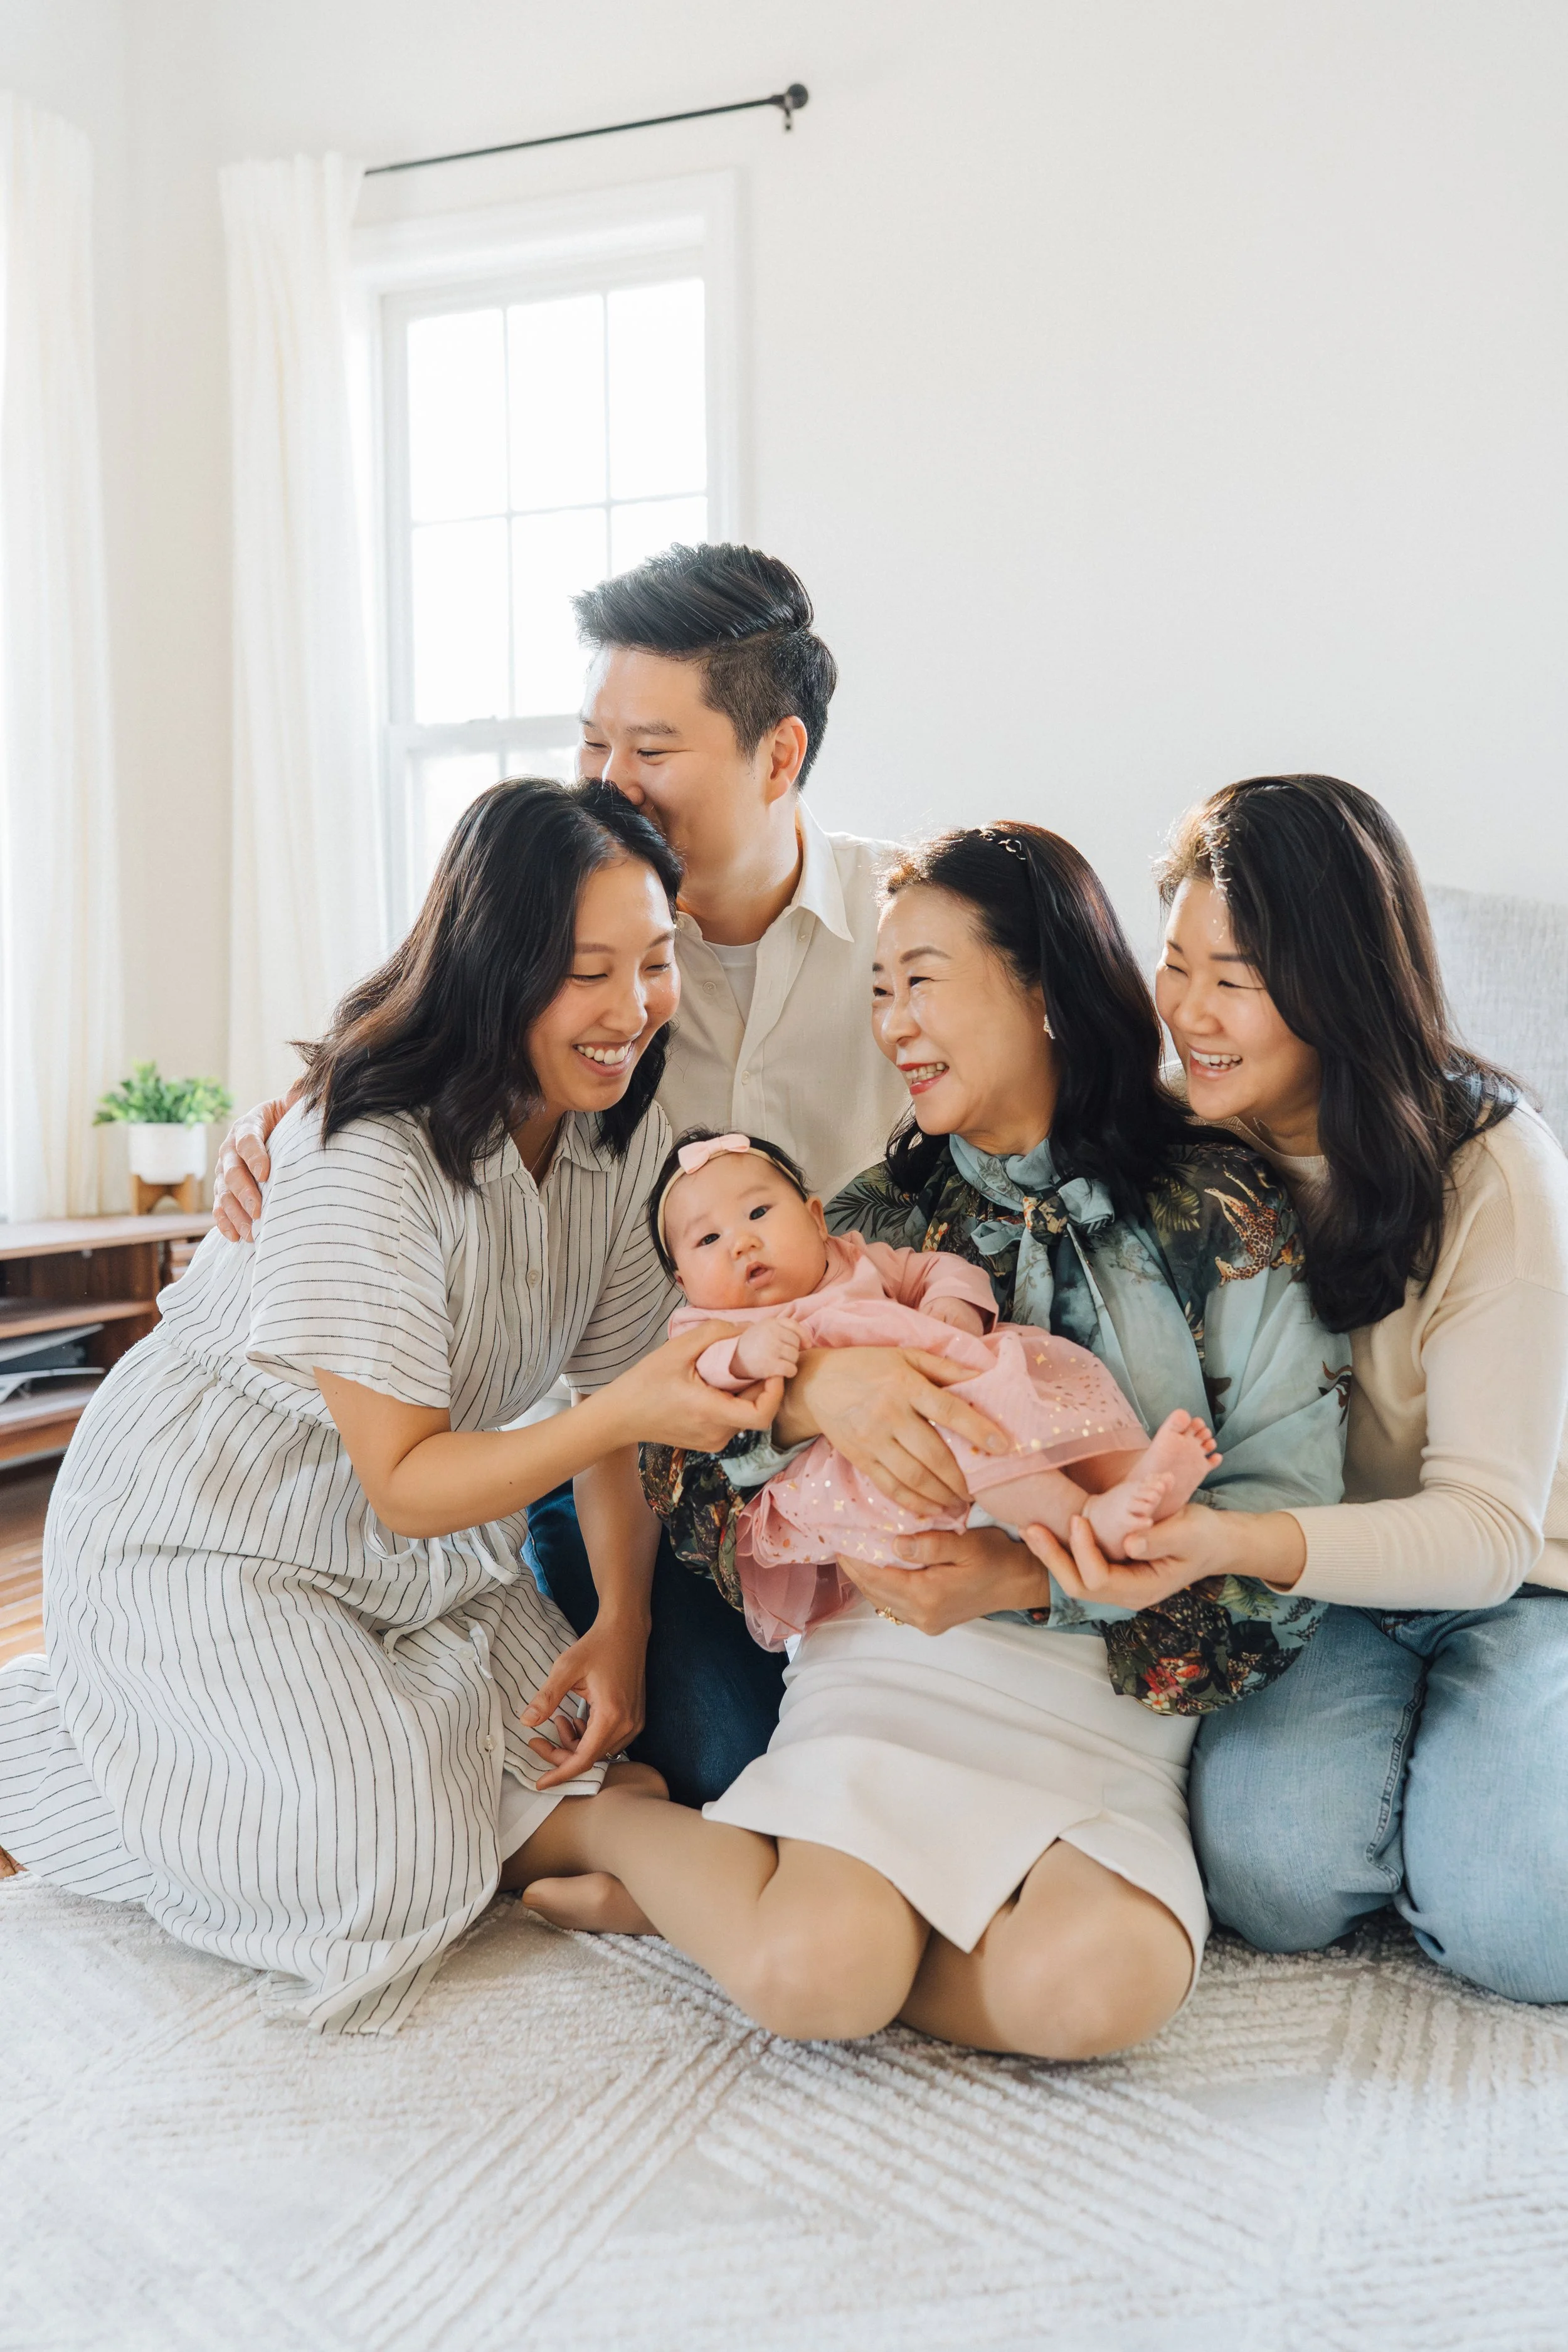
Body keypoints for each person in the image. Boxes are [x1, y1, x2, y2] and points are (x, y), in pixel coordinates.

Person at [516, 822, 1347, 2060]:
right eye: (877, 990)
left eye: (922, 982)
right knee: (817, 1982)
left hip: (1098, 1709)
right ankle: (616, 1830)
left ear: (1041, 986)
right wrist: (811, 1397)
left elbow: (1286, 1549)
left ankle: (722, 1898)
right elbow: (676, 1470)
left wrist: (1022, 1580)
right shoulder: (858, 1223)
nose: (892, 1025)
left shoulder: (1221, 1212)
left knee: (1099, 1994)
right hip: (883, 1674)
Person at [0, 780, 781, 2028]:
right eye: (587, 973)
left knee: (584, 1750)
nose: (632, 1009)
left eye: (654, 961)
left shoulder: (630, 1129)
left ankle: (416, 1790)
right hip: (214, 1532)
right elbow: (422, 1477)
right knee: (383, 1866)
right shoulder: (362, 1146)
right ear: (492, 969)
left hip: (426, 1552)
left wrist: (622, 1623)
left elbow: (612, 1404)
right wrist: (628, 1408)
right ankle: (46, 1736)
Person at [208, 544, 909, 1803]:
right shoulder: (557, 934)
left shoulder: (908, 930)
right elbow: (408, 1056)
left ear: (779, 756)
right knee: (728, 1761)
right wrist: (284, 1128)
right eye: (592, 742)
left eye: (651, 749)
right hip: (629, 1466)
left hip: (858, 1440)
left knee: (880, 1761)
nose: (607, 781)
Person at [1041, 775, 1568, 2003]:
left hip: (1521, 1582)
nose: (1188, 1013)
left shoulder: (1494, 1170)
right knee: (1268, 1885)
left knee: (1524, 1930)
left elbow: (1488, 1532)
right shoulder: (1175, 1144)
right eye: (1176, 965)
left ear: (1338, 986)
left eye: (1235, 978)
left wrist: (1225, 1542)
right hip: (1317, 1587)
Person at [652, 1126, 1221, 1649]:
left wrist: (951, 1303)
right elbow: (696, 1384)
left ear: (817, 1220)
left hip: (944, 1391)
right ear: (683, 1283)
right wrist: (746, 1358)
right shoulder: (711, 1328)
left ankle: (1133, 1478)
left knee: (1056, 1391)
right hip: (865, 1463)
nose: (741, 1243)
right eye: (708, 1239)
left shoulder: (856, 1259)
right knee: (981, 1439)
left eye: (758, 1212)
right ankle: (1088, 1522)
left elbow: (936, 1268)